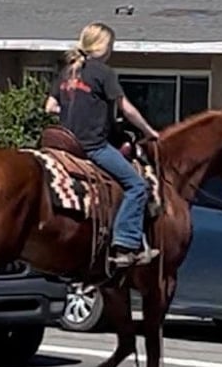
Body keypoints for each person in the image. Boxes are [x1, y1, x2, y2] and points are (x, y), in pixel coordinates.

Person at [45, 22, 160, 268]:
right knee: (137, 185)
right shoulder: (104, 73)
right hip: (92, 146)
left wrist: (73, 113)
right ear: (103, 46)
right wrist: (149, 131)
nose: (112, 50)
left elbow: (50, 107)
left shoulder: (67, 71)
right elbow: (126, 108)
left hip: (63, 146)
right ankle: (125, 244)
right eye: (111, 45)